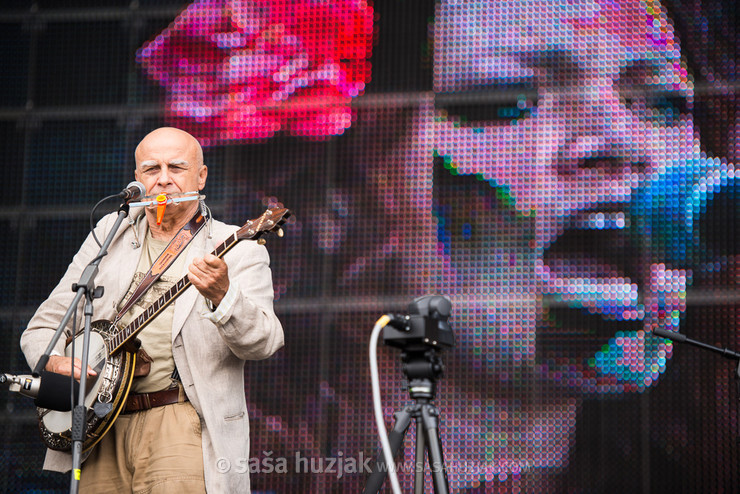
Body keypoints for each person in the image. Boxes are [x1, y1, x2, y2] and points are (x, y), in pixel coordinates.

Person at [20, 127, 284, 493]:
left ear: (201, 176)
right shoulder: (109, 234)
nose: (163, 180)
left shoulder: (237, 247)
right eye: (151, 169)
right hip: (99, 425)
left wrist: (224, 297)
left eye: (176, 168)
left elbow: (265, 342)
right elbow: (43, 327)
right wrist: (53, 360)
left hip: (180, 420)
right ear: (137, 179)